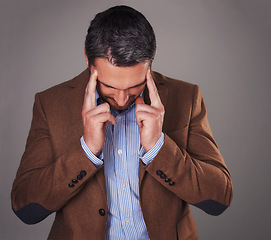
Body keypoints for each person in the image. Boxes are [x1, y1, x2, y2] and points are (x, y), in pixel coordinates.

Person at [11, 5, 233, 240]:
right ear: (88, 60)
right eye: (109, 86)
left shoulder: (186, 97)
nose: (121, 98)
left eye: (134, 86)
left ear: (150, 64)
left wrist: (159, 147)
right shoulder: (50, 104)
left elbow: (219, 199)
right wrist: (85, 151)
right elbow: (26, 208)